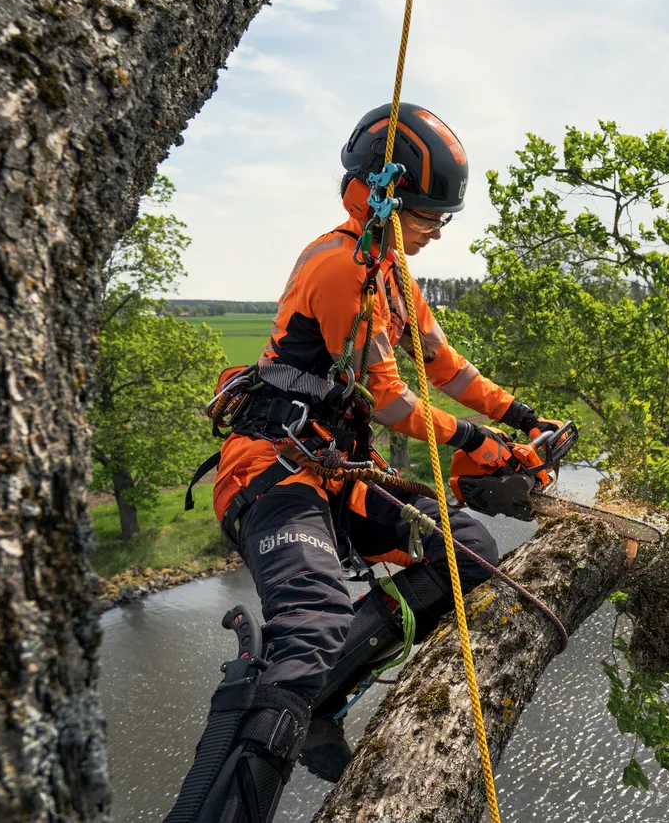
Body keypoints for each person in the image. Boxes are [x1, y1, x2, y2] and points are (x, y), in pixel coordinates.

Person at [163, 103, 560, 823]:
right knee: (311, 622)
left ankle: (322, 700)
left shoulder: (392, 274)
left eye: (442, 218)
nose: (437, 230)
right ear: (380, 196)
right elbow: (388, 398)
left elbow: (443, 365)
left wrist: (522, 418)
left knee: (466, 550)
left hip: (335, 473)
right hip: (272, 470)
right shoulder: (341, 267)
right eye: (426, 215)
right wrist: (477, 443)